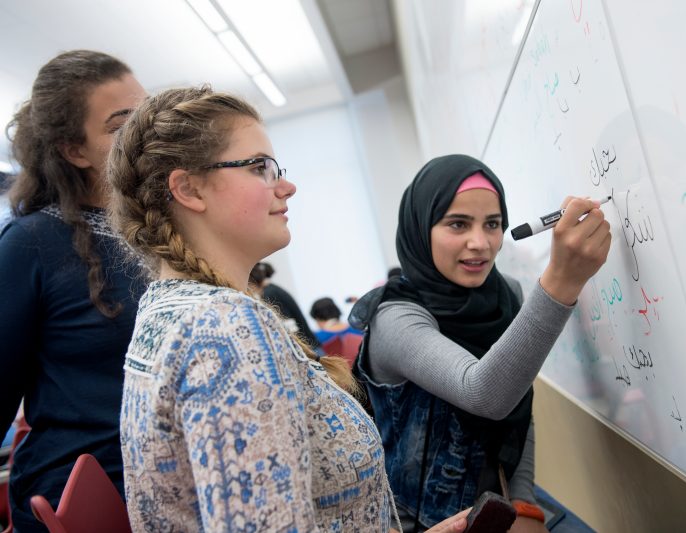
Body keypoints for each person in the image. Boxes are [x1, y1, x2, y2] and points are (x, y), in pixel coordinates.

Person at [108, 86, 470, 532]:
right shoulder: (225, 327)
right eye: (259, 167)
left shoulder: (163, 308)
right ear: (188, 189)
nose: (287, 185)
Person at [349, 155, 612, 532]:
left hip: (497, 510)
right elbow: (485, 394)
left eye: (492, 224)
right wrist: (562, 280)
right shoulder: (395, 318)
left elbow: (519, 407)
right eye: (458, 224)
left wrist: (524, 503)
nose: (480, 243)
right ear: (421, 228)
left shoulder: (507, 293)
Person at [0, 50, 147, 531]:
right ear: (74, 151)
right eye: (123, 125)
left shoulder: (157, 229)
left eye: (148, 114)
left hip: (171, 485)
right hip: (87, 499)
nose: (147, 134)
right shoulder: (31, 244)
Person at [254, 261, 320, 349]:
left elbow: (288, 325)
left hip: (307, 348)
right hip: (309, 344)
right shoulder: (273, 289)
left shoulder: (269, 294)